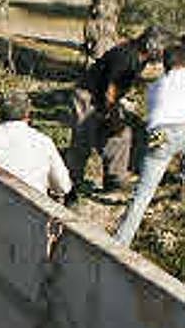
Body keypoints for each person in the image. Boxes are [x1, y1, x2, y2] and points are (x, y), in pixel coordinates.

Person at [67, 26, 168, 197]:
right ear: (152, 46)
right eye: (161, 49)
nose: (162, 54)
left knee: (121, 136)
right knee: (83, 141)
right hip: (87, 96)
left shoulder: (139, 58)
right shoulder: (126, 56)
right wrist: (114, 115)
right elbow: (111, 90)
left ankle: (115, 180)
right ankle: (70, 185)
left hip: (103, 98)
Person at [114, 44, 185, 244]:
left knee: (143, 192)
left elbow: (155, 113)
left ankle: (121, 241)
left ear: (165, 65)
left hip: (159, 133)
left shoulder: (154, 86)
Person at [0, 91, 72, 197]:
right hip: (32, 208)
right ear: (27, 113)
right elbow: (63, 186)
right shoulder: (43, 142)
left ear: (0, 113)